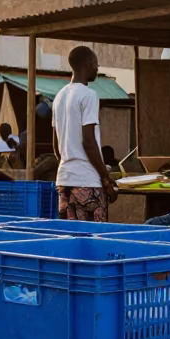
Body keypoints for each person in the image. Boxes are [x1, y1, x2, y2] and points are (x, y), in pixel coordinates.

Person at [52, 46, 117, 221]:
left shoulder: (58, 97)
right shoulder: (89, 95)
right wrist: (106, 178)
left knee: (70, 240)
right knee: (93, 240)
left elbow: (56, 146)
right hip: (87, 182)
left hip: (64, 181)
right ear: (88, 64)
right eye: (96, 64)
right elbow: (88, 141)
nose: (97, 68)